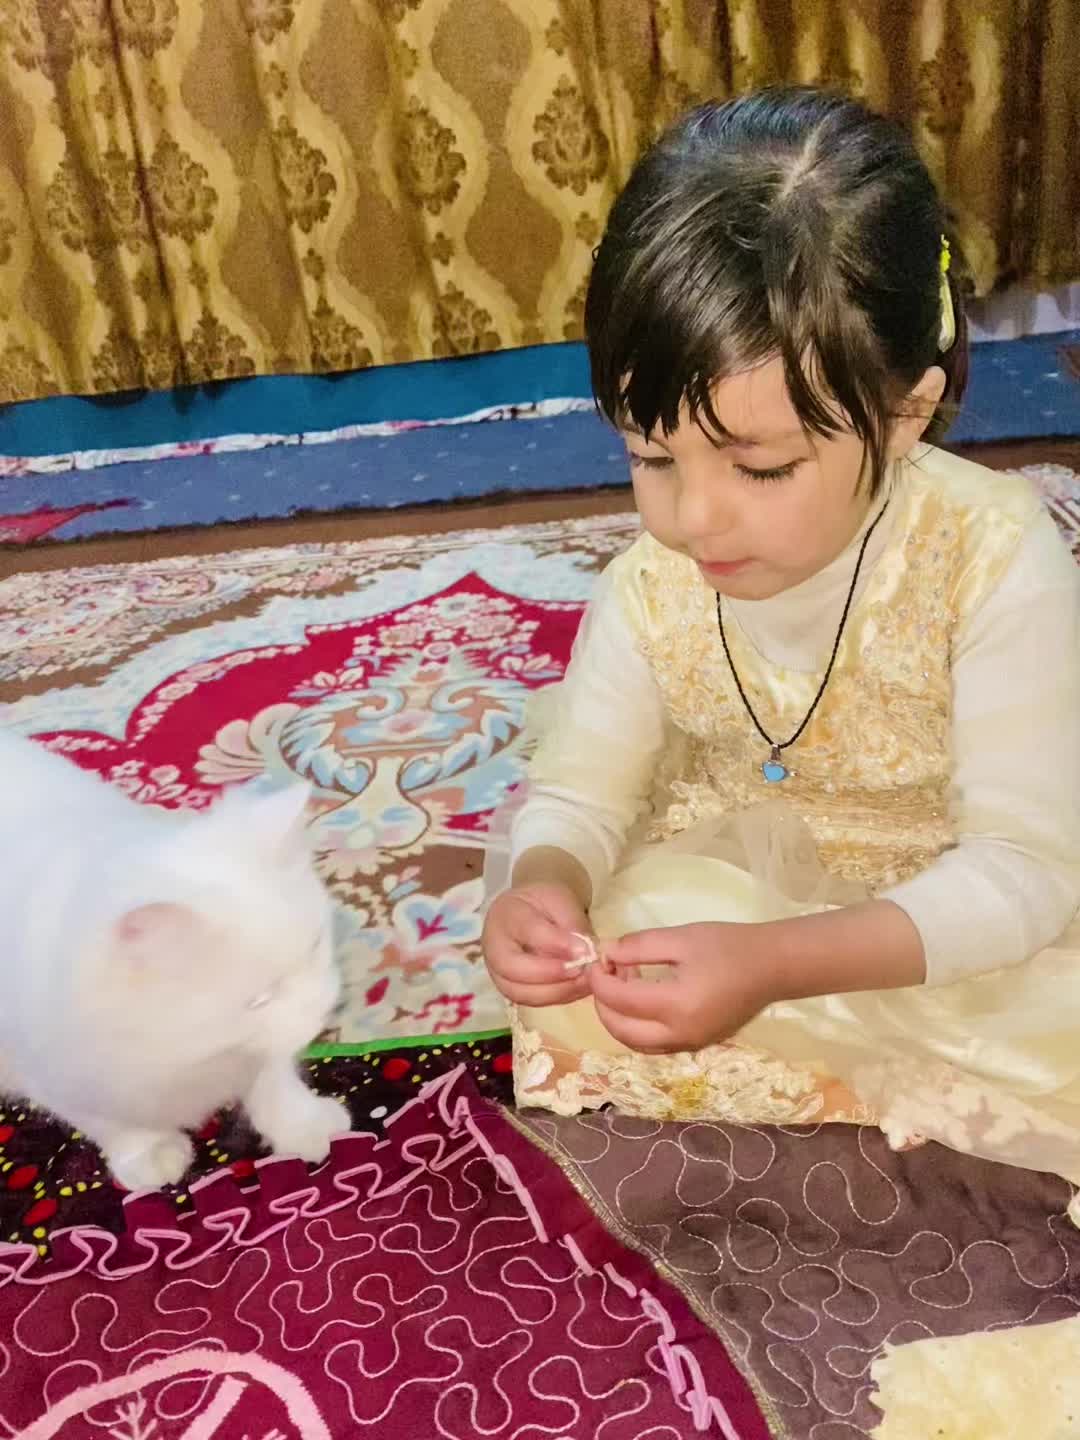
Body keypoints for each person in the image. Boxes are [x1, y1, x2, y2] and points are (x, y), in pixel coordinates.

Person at [481, 86, 1080, 1202]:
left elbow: (1026, 874)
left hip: (944, 915)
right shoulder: (651, 584)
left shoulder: (993, 555)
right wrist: (544, 886)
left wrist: (772, 966)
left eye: (760, 467)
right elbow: (579, 798)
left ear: (905, 414)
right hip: (736, 893)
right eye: (650, 456)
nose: (693, 517)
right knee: (604, 959)